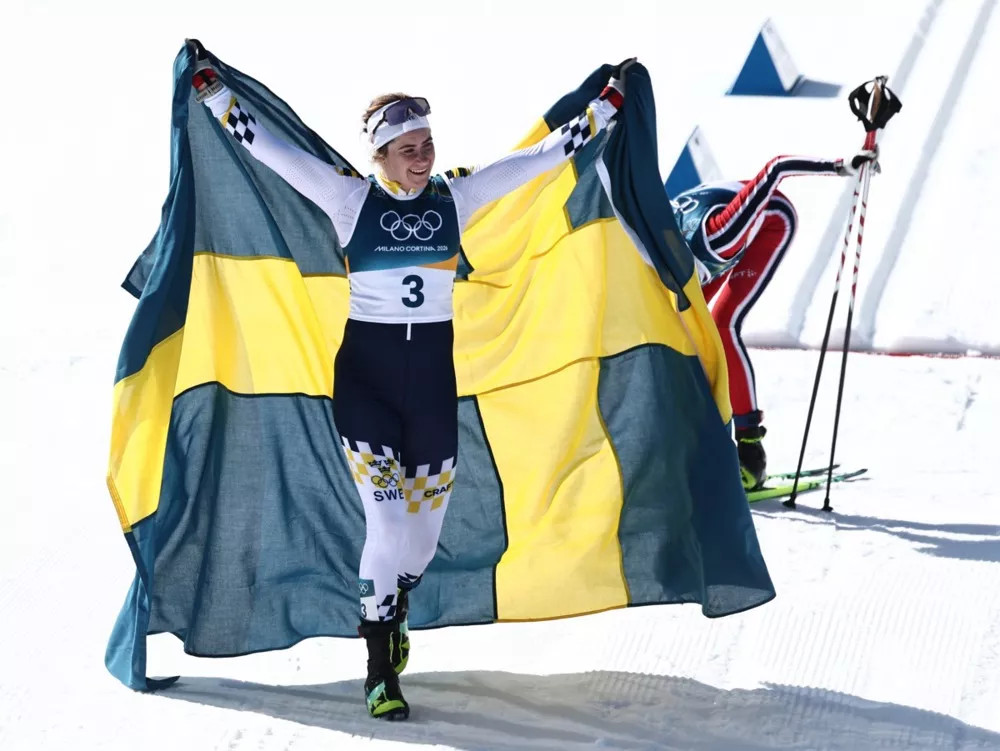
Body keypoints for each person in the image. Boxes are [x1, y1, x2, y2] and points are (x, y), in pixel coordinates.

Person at [188, 39, 634, 720]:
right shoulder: (348, 199)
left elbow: (540, 158)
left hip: (429, 390)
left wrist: (606, 107)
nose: (421, 158)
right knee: (388, 521)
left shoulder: (459, 196)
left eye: (426, 145)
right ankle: (378, 670)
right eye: (406, 149)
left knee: (420, 545)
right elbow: (271, 151)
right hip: (365, 387)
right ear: (380, 155)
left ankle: (393, 608)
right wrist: (214, 93)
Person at [669, 150, 878, 490]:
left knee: (722, 325)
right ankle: (694, 439)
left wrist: (841, 165)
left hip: (769, 221)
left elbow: (778, 167)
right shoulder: (652, 253)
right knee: (680, 330)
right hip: (699, 234)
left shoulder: (720, 237)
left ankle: (751, 450)